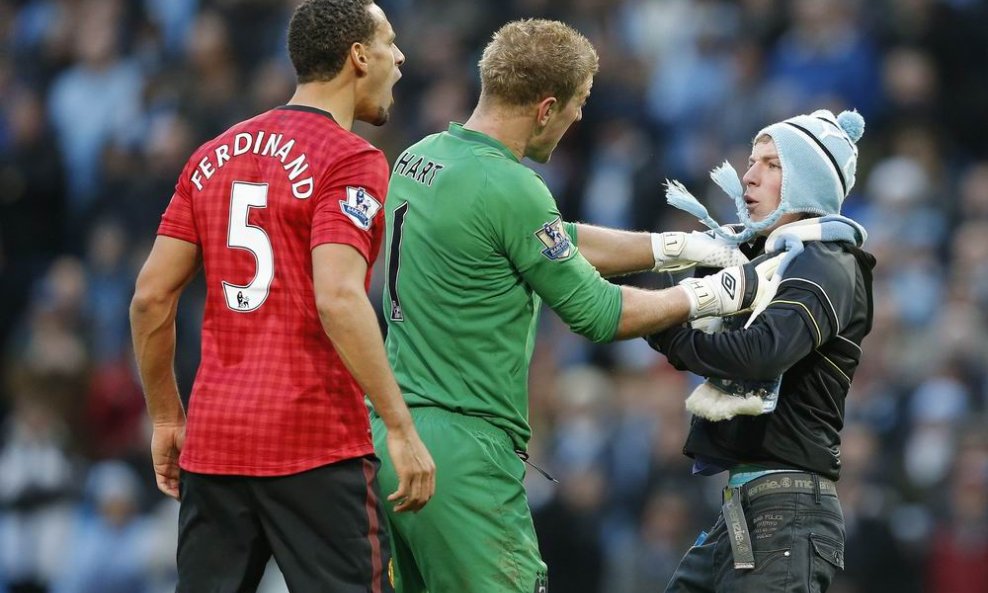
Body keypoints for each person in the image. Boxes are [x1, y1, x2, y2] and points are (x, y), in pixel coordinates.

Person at [370, 19, 778, 593]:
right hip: (464, 455)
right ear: (546, 106)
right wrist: (706, 294)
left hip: (397, 440)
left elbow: (544, 238)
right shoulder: (512, 187)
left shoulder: (421, 158)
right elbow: (598, 313)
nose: (579, 118)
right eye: (578, 103)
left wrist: (673, 248)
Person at [128, 2, 435, 591]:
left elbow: (149, 297)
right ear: (358, 56)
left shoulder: (212, 155)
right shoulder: (351, 160)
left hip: (215, 444)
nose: (400, 58)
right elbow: (339, 298)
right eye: (391, 43)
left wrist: (167, 417)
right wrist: (399, 426)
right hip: (316, 445)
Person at [646, 108, 876, 593]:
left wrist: (662, 324)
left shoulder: (827, 262)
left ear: (808, 181)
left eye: (771, 164)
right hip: (747, 510)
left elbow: (760, 353)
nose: (748, 175)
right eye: (753, 160)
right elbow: (665, 291)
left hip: (788, 513)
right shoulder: (762, 260)